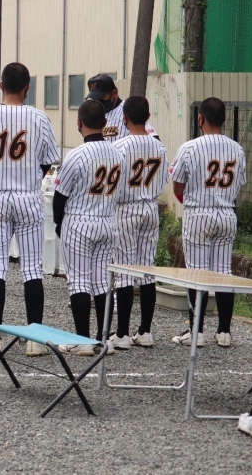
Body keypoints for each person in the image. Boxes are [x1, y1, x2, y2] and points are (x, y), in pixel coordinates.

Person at [0, 63, 59, 356]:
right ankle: (35, 339)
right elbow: (47, 161)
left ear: (0, 85)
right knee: (32, 267)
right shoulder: (39, 117)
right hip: (28, 196)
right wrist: (29, 176)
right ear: (27, 88)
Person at [169, 97, 246, 348]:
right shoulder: (237, 149)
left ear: (200, 118)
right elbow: (239, 184)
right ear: (224, 118)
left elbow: (177, 186)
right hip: (226, 213)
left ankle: (197, 332)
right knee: (223, 272)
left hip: (199, 213)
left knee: (196, 273)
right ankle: (224, 332)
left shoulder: (190, 147)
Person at [53, 99, 122, 356]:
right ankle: (103, 340)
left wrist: (59, 224)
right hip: (107, 221)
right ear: (105, 122)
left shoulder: (76, 154)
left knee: (79, 282)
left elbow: (60, 196)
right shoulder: (117, 152)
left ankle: (82, 340)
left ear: (79, 122)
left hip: (80, 220)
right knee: (102, 283)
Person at [108, 96, 168, 349]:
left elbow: (112, 185)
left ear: (124, 118)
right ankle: (145, 331)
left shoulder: (119, 146)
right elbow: (163, 180)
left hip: (125, 209)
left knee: (124, 271)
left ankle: (122, 334)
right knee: (147, 270)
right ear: (148, 116)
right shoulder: (159, 147)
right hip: (150, 207)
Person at [86, 73, 158, 141]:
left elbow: (153, 139)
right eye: (95, 98)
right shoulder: (95, 114)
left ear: (114, 93)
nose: (98, 101)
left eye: (102, 97)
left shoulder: (129, 110)